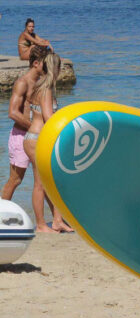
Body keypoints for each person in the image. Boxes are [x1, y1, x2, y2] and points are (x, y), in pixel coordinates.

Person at [23, 53, 73, 233]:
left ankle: (58, 221)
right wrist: (66, 122)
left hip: (35, 138)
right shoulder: (46, 89)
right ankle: (41, 225)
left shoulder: (40, 85)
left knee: (53, 182)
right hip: (37, 139)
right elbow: (48, 117)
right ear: (55, 68)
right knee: (40, 184)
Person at [2, 45, 49, 201]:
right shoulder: (23, 83)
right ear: (36, 63)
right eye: (45, 64)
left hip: (37, 138)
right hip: (21, 136)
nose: (48, 67)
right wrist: (33, 128)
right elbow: (13, 112)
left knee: (44, 181)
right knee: (15, 180)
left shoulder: (41, 83)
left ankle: (53, 215)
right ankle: (2, 211)